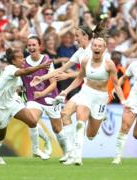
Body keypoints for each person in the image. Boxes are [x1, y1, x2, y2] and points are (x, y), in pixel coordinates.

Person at [59, 34, 125, 166]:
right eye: (94, 45)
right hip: (86, 93)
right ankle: (76, 156)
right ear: (92, 47)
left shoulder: (109, 64)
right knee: (79, 122)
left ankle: (98, 119)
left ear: (104, 49)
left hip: (100, 98)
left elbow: (116, 84)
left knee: (90, 135)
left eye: (100, 46)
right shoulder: (85, 61)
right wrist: (65, 91)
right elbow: (79, 78)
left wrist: (123, 101)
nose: (97, 47)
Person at [30, 25, 93, 162]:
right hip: (85, 90)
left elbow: (91, 73)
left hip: (97, 93)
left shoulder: (94, 51)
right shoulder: (80, 52)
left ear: (86, 37)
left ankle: (96, 120)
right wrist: (42, 78)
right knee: (64, 114)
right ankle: (72, 153)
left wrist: (68, 75)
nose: (75, 39)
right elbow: (62, 68)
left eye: (77, 36)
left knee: (91, 134)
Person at [0, 48, 50, 164]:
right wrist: (40, 67)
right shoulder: (10, 69)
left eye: (23, 57)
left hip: (12, 102)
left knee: (32, 121)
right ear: (12, 60)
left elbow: (16, 88)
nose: (23, 60)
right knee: (0, 136)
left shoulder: (16, 71)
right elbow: (25, 72)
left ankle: (36, 150)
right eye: (20, 58)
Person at [21, 35, 68, 160]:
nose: (31, 47)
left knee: (57, 129)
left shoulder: (46, 60)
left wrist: (42, 93)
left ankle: (67, 153)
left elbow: (53, 84)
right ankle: (42, 145)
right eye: (29, 45)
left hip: (49, 98)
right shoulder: (24, 63)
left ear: (39, 46)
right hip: (33, 99)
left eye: (34, 45)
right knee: (32, 121)